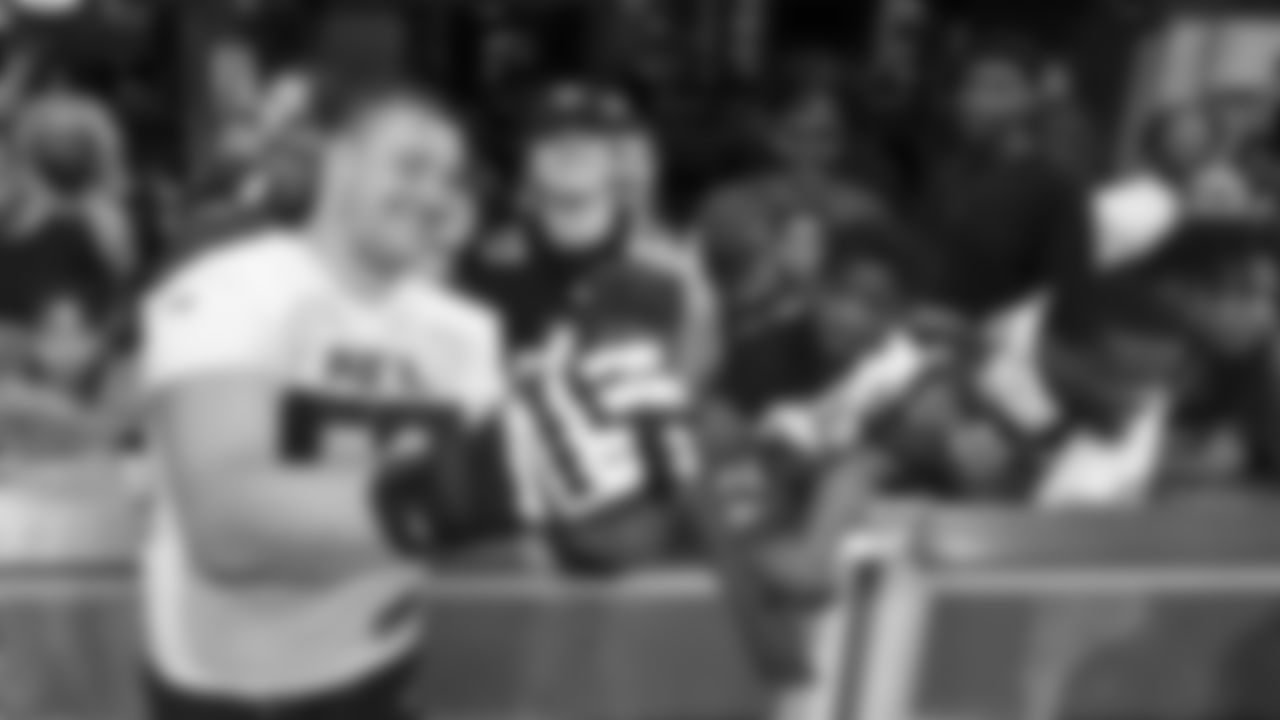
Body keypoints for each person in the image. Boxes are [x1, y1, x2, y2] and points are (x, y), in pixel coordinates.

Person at [141, 87, 698, 720]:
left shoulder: (464, 329)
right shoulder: (230, 287)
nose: (432, 193)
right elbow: (226, 530)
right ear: (341, 162)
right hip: (225, 697)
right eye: (409, 166)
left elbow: (526, 507)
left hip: (385, 674)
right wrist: (472, 484)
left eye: (449, 177)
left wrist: (607, 510)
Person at [462, 83, 718, 383]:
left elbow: (693, 386)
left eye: (589, 137)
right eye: (550, 137)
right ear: (526, 159)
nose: (570, 147)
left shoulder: (666, 268)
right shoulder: (485, 266)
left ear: (617, 157)